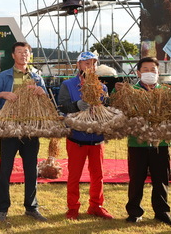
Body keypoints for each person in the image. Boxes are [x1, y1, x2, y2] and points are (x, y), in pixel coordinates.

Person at [0, 41, 48, 222]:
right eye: (20, 52)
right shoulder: (4, 76)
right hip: (9, 129)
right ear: (13, 55)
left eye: (27, 52)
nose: (24, 55)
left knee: (31, 169)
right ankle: (2, 208)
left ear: (30, 55)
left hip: (30, 129)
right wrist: (2, 94)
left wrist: (41, 92)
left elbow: (46, 100)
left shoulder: (37, 77)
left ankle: (31, 207)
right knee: (5, 168)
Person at [57, 52, 113, 220]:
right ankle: (73, 207)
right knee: (74, 175)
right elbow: (62, 106)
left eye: (93, 63)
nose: (90, 66)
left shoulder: (102, 87)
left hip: (97, 138)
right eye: (86, 63)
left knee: (98, 175)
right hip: (76, 138)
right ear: (78, 65)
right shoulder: (68, 84)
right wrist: (76, 105)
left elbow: (107, 107)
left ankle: (96, 206)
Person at [125, 57, 171, 226]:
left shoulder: (166, 93)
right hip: (137, 143)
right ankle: (134, 212)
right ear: (138, 73)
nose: (149, 72)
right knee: (136, 178)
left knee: (161, 179)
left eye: (152, 69)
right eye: (145, 69)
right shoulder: (130, 92)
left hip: (160, 143)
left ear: (158, 72)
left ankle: (162, 212)